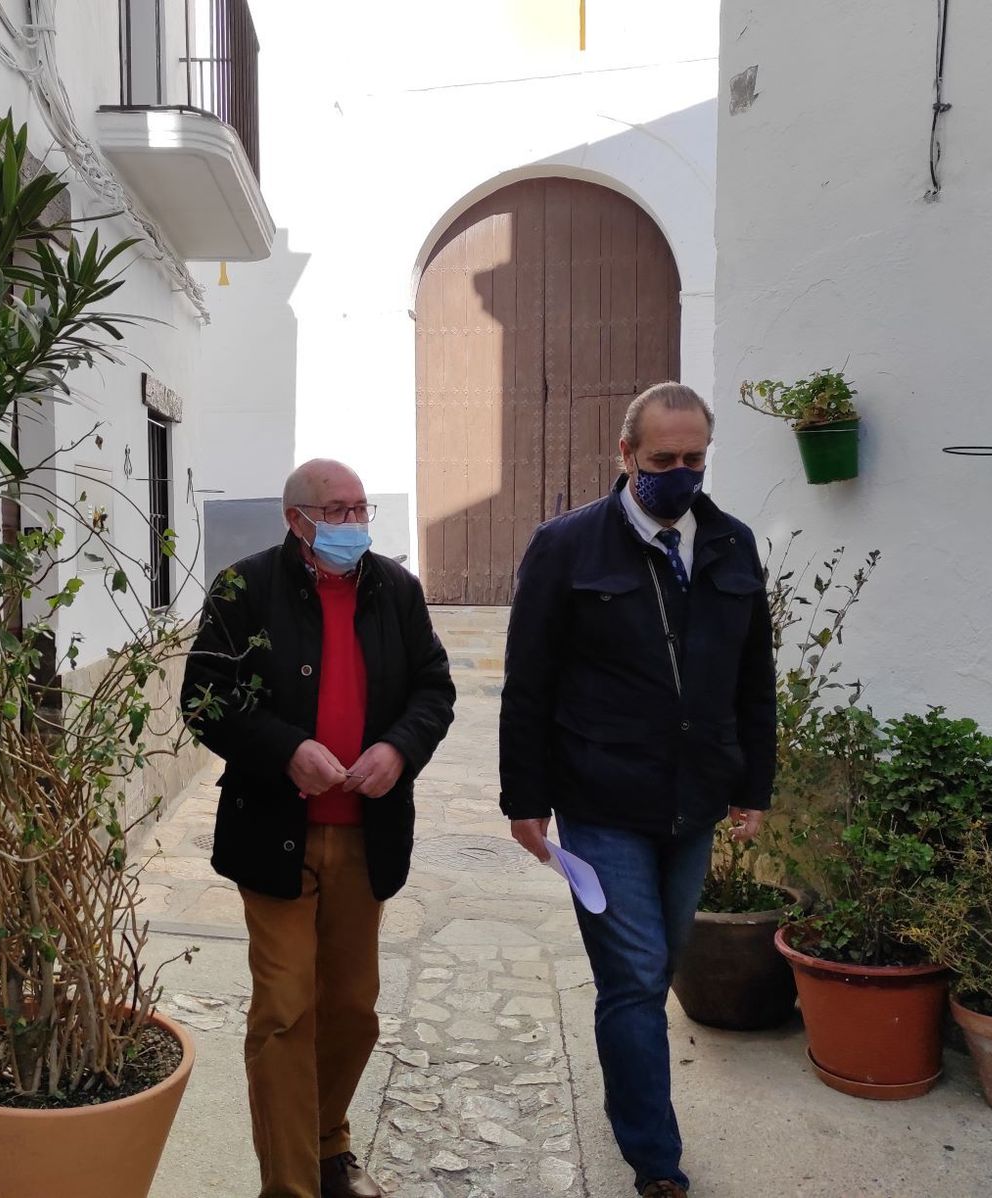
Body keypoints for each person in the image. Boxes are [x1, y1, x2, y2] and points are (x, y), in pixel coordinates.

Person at [498, 383, 775, 1198]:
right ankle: (656, 1161)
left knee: (658, 969)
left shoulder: (731, 544)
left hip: (694, 800)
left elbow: (753, 679)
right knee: (636, 973)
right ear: (626, 455)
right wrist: (525, 800)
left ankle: (632, 1096)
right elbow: (528, 683)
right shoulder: (566, 546)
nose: (680, 473)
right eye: (663, 459)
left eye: (695, 458)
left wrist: (753, 784)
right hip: (601, 799)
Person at [181, 458, 456, 1198]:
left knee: (352, 1011)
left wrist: (399, 749)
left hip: (367, 837)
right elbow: (204, 696)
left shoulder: (396, 590)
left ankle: (328, 1143)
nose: (353, 523)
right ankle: (291, 1185)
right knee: (283, 1011)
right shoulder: (244, 587)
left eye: (361, 508)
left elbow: (434, 688)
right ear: (295, 519)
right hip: (275, 836)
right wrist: (285, 750)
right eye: (336, 511)